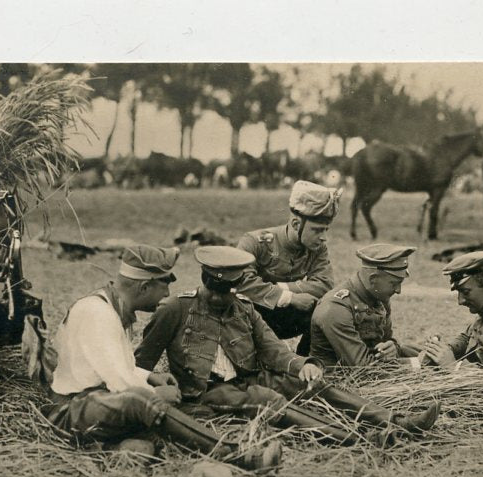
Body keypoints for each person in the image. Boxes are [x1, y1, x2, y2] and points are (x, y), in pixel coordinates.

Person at [134, 246, 439, 445]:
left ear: (237, 287)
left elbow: (272, 348)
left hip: (250, 376)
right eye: (215, 291)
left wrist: (301, 365)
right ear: (205, 281)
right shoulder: (175, 309)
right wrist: (153, 395)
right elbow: (141, 362)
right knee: (269, 399)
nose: (220, 299)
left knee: (312, 386)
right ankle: (362, 439)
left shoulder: (242, 307)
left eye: (228, 292)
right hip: (206, 391)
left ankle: (395, 421)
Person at [43, 245, 281, 471]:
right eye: (163, 286)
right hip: (70, 411)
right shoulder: (98, 314)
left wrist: (150, 376)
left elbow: (108, 367)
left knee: (157, 426)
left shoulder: (108, 307)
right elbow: (121, 385)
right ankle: (237, 455)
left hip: (95, 404)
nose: (167, 294)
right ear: (144, 287)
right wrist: (157, 395)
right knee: (142, 401)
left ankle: (117, 448)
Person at [235, 180, 343, 355]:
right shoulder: (255, 242)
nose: (324, 238)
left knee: (327, 310)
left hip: (287, 319)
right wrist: (290, 298)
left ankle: (304, 361)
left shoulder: (317, 248)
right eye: (317, 230)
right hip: (253, 320)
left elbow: (324, 284)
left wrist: (280, 289)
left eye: (326, 230)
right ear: (295, 224)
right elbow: (242, 282)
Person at [309, 244, 421, 367]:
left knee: (419, 351)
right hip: (338, 380)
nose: (398, 290)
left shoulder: (379, 298)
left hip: (370, 372)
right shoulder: (336, 307)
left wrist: (392, 347)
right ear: (373, 279)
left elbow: (386, 340)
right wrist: (416, 364)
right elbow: (362, 367)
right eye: (394, 283)